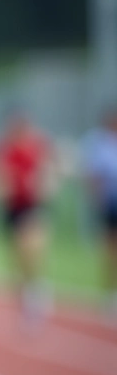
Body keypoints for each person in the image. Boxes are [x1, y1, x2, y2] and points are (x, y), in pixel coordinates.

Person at [0, 108, 56, 327]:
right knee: (17, 259)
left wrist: (44, 184)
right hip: (11, 209)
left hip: (34, 207)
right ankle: (27, 299)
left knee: (32, 250)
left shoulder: (37, 146)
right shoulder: (3, 150)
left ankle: (36, 292)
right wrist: (4, 186)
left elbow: (50, 171)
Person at [81, 107, 117, 323]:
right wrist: (96, 200)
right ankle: (109, 292)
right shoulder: (98, 142)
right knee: (110, 250)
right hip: (109, 204)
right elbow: (92, 175)